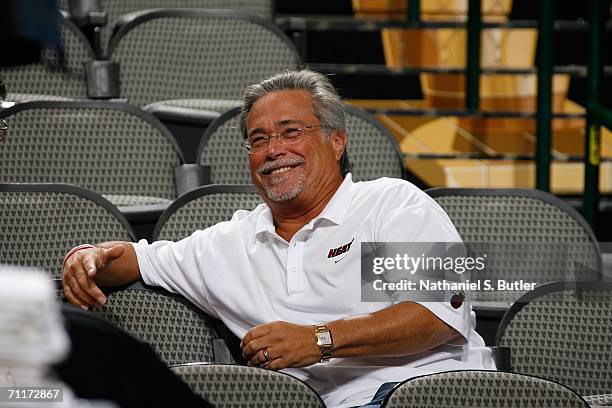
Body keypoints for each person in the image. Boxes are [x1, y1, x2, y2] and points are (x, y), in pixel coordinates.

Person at [62, 69, 493, 408]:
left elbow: (436, 315)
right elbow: (136, 260)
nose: (273, 150)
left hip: (439, 393)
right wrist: (86, 256)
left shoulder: (392, 203)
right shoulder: (232, 242)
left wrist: (318, 339)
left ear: (336, 141)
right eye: (258, 139)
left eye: (291, 132)